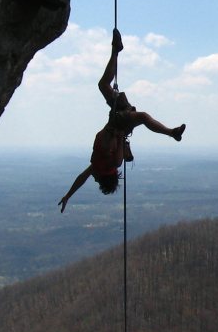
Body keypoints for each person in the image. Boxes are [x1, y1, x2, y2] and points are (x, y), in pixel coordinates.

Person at [58, 28, 185, 212]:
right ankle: (172, 133)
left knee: (105, 87)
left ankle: (115, 50)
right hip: (119, 122)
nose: (94, 179)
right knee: (140, 115)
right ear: (104, 178)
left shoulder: (99, 166)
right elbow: (114, 146)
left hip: (116, 118)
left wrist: (68, 195)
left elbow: (81, 179)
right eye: (98, 181)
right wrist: (68, 194)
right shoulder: (107, 164)